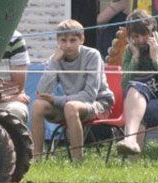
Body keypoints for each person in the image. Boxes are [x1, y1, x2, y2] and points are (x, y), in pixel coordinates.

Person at [30, 19, 114, 161]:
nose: (67, 45)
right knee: (38, 105)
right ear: (58, 41)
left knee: (70, 107)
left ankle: (77, 161)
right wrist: (54, 63)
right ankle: (37, 158)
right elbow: (41, 92)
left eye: (72, 40)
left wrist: (56, 100)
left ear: (82, 39)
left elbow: (89, 96)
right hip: (72, 104)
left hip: (99, 103)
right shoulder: (56, 59)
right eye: (63, 40)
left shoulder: (92, 55)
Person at [115, 10, 158, 156]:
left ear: (153, 31)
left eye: (144, 34)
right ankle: (130, 145)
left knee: (136, 112)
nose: (141, 40)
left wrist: (156, 59)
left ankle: (130, 147)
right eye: (135, 36)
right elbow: (124, 85)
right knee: (136, 88)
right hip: (142, 101)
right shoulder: (130, 50)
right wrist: (135, 59)